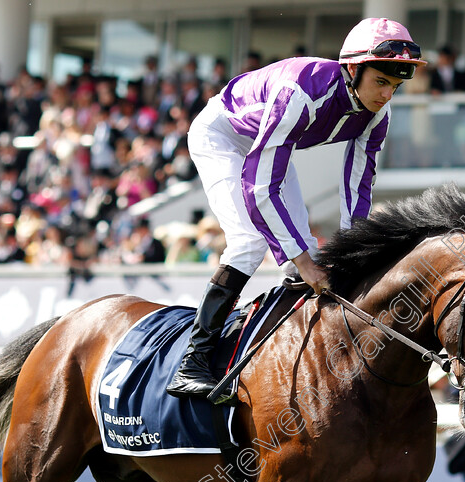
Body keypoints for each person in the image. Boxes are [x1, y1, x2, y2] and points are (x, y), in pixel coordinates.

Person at [166, 18, 426, 398]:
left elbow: (357, 191)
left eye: (395, 86)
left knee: (301, 253)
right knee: (252, 243)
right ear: (353, 69)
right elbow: (259, 187)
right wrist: (304, 262)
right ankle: (193, 362)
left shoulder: (378, 116)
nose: (386, 96)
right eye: (381, 82)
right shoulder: (302, 92)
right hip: (223, 136)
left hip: (270, 144)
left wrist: (357, 259)